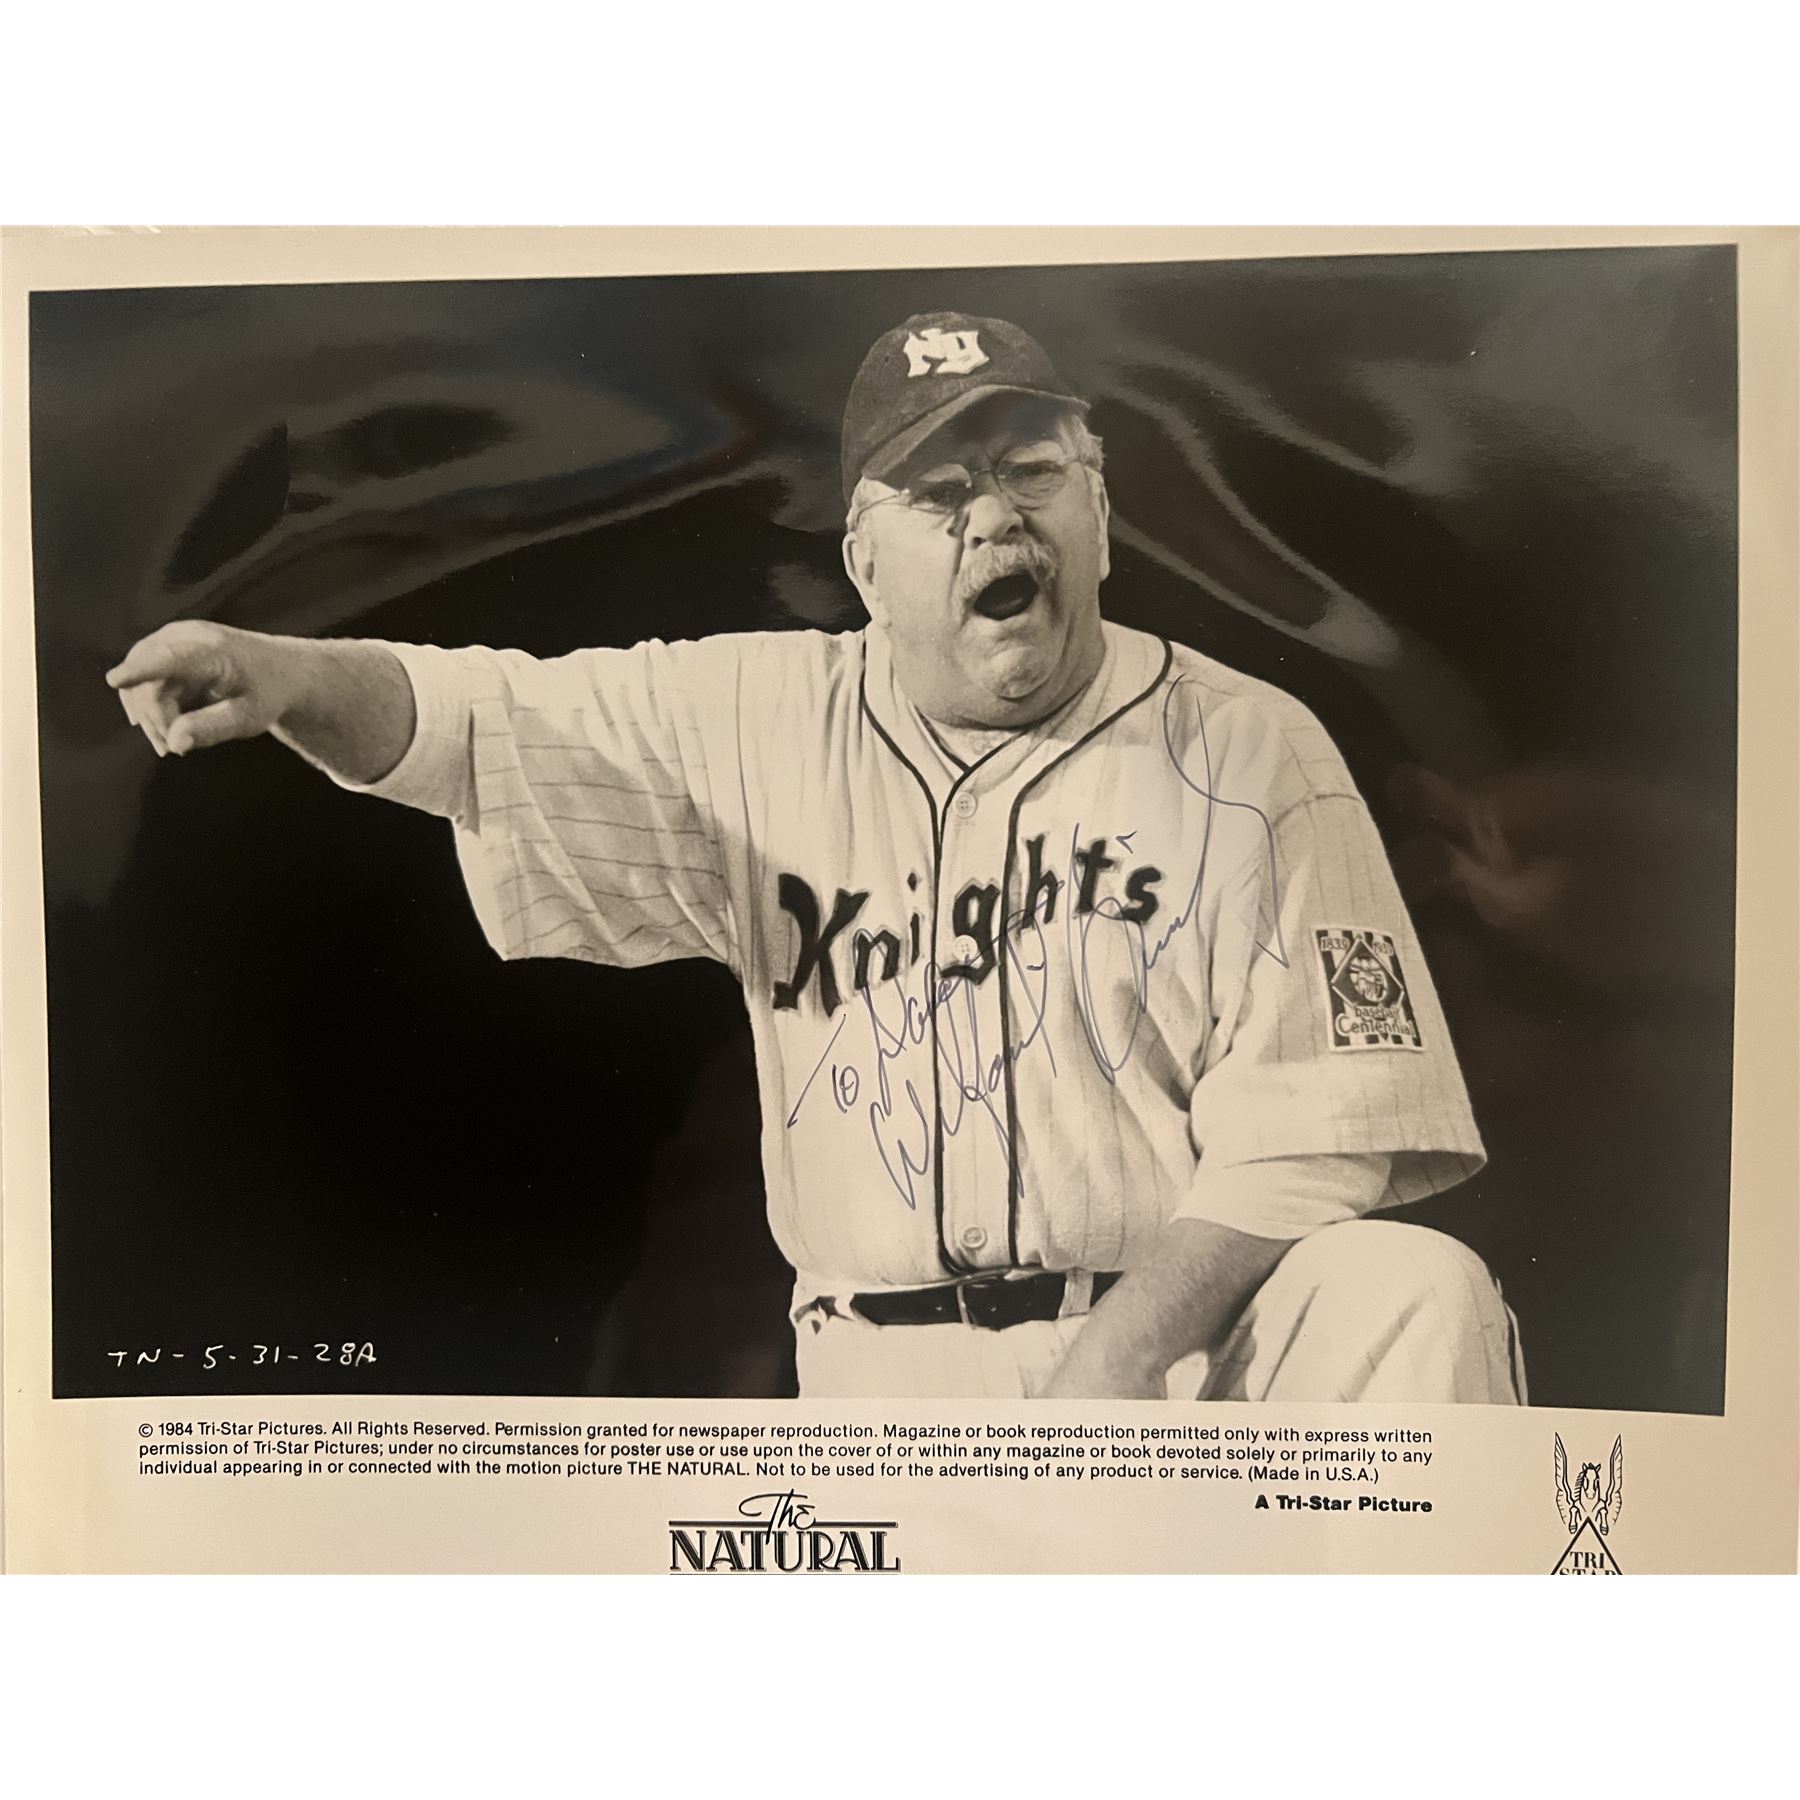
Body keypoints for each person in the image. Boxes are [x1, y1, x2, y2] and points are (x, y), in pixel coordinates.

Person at [108, 310, 1525, 1404]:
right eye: (940, 490)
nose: (995, 516)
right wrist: (284, 673)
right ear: (865, 565)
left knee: (1415, 1287)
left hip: (1182, 1363)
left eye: (1033, 470)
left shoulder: (1251, 748)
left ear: (1099, 518)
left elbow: (1318, 1132)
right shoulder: (760, 717)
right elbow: (477, 722)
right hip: (892, 1383)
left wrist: (1118, 1367)